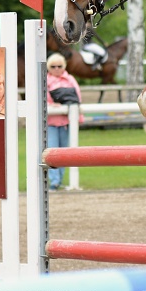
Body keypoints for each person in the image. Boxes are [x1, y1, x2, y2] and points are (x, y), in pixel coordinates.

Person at [46, 53, 82, 190]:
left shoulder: (70, 79)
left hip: (66, 122)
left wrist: (78, 117)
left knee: (65, 152)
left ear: (64, 66)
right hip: (50, 122)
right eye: (53, 66)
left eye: (59, 66)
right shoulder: (45, 80)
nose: (56, 69)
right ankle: (54, 181)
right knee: (53, 151)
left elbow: (77, 98)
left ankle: (59, 180)